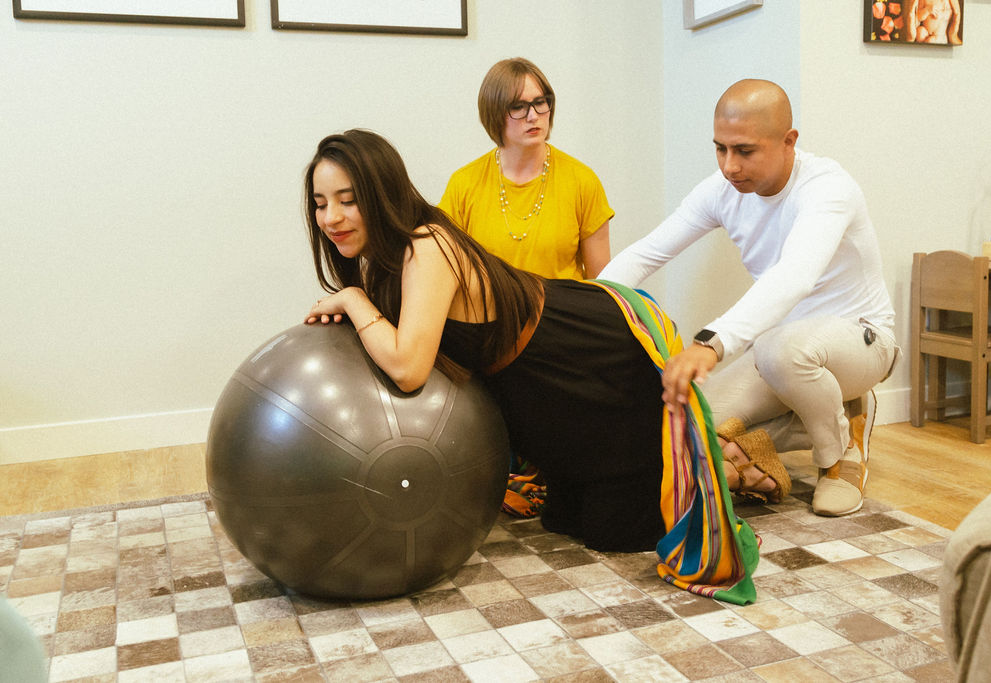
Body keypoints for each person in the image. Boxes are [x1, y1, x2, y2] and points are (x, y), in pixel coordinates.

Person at [302, 129, 765, 603]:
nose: (331, 217)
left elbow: (408, 368)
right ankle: (712, 456)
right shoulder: (381, 261)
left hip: (590, 353)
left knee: (626, 533)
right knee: (569, 521)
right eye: (320, 203)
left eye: (348, 199)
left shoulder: (426, 244)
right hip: (541, 390)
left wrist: (355, 302)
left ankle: (735, 462)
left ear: (382, 193)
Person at [600, 79, 899, 518]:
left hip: (861, 341)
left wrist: (710, 344)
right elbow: (649, 252)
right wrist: (583, 307)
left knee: (779, 348)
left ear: (788, 141)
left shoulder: (828, 188)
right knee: (687, 428)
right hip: (784, 354)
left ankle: (838, 457)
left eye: (744, 151)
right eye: (720, 149)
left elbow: (793, 276)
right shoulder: (720, 191)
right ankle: (838, 413)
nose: (729, 166)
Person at [439, 58, 613, 280]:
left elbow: (603, 284)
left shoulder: (582, 180)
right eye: (518, 107)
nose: (533, 116)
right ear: (494, 113)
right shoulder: (463, 183)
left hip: (564, 312)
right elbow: (448, 274)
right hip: (492, 313)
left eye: (540, 102)